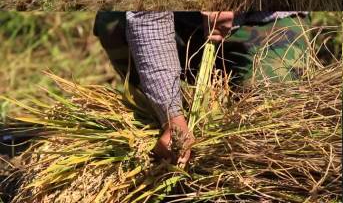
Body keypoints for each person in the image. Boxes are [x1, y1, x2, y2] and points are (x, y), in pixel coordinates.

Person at [93, 11, 310, 164]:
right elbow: (149, 18)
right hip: (184, 21)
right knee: (112, 21)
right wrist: (173, 119)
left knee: (272, 120)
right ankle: (162, 118)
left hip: (262, 19)